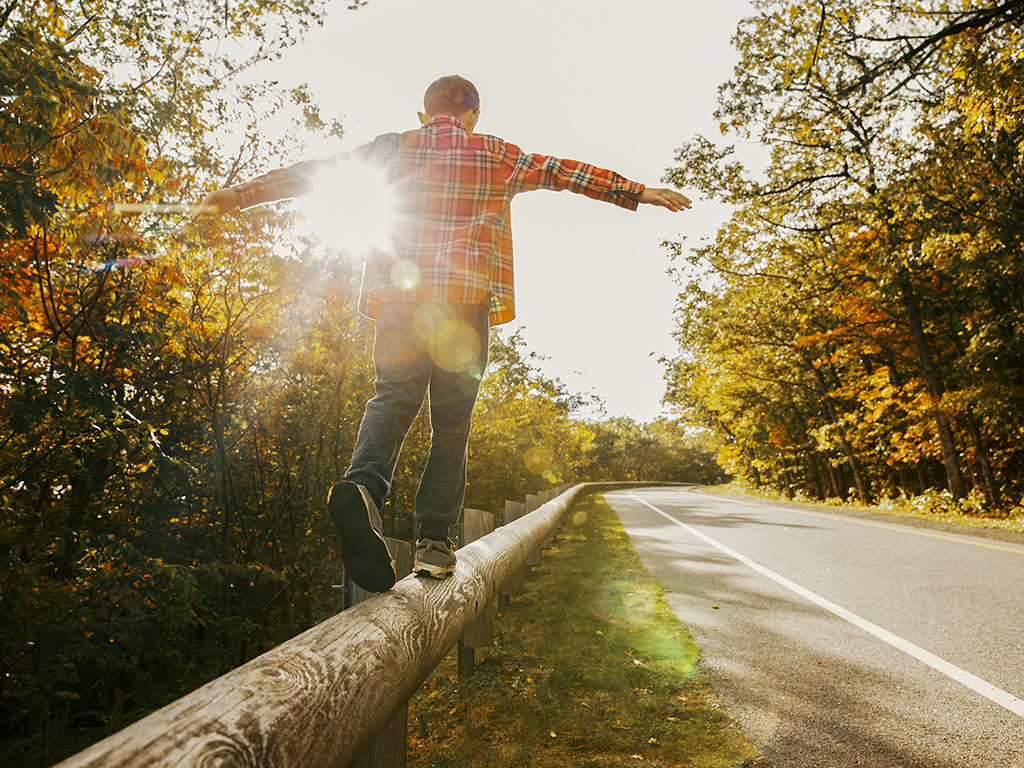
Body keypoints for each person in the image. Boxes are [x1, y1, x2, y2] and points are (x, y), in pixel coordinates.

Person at [199, 75, 691, 592]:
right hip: (462, 305)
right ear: (474, 115)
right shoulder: (496, 152)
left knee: (390, 398)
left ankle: (363, 489)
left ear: (422, 114)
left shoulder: (391, 148)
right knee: (451, 424)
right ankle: (434, 543)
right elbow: (565, 172)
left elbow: (316, 174)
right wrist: (638, 191)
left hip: (399, 299)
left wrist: (239, 195)